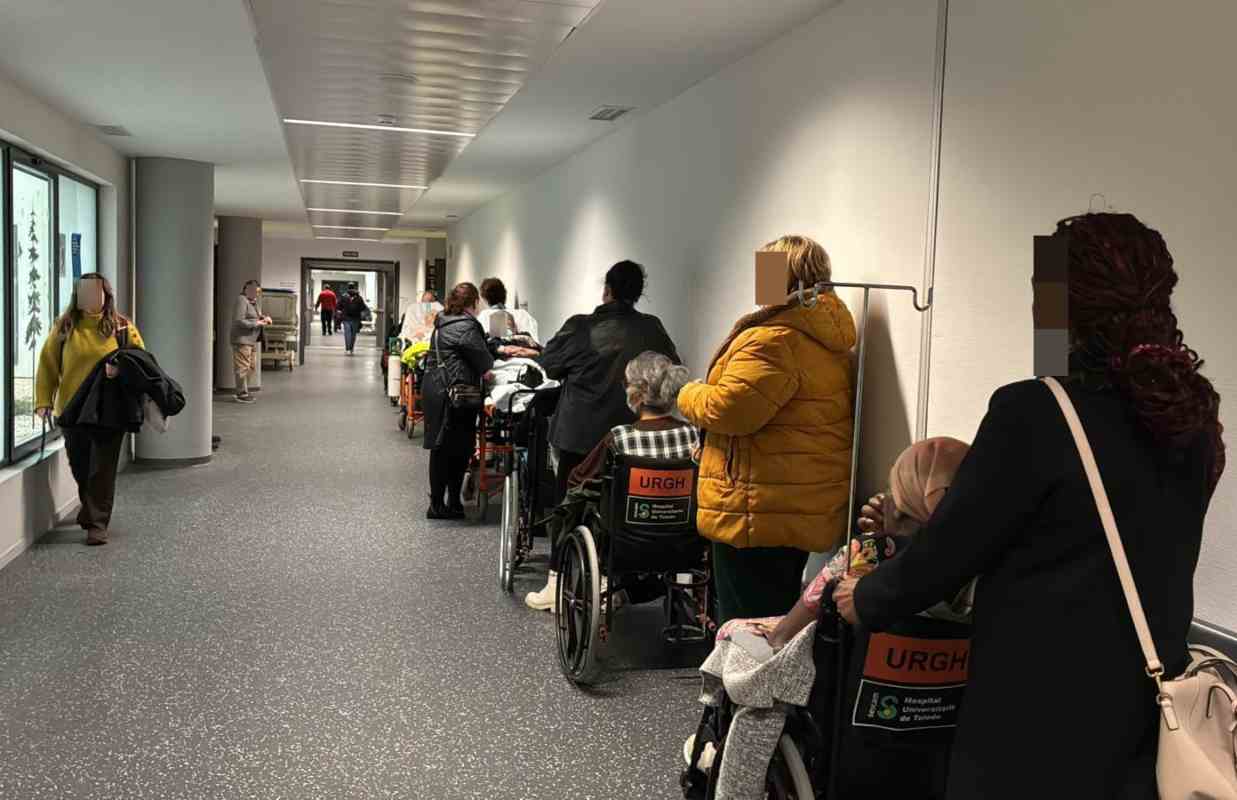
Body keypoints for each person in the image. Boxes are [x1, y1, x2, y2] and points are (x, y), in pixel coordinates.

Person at [832, 213, 1226, 800]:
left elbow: (951, 555)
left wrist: (862, 597)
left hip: (1036, 713)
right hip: (1144, 702)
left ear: (1070, 307)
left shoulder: (1035, 411)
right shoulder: (1190, 417)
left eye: (1043, 297)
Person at [686, 438, 971, 799]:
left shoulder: (869, 555)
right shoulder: (985, 570)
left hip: (845, 716)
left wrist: (876, 537)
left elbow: (792, 627)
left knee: (737, 640)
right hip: (940, 727)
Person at [677, 235, 855, 625]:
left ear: (787, 276)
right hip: (793, 502)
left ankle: (742, 687)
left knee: (746, 625)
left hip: (754, 509)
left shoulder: (774, 339)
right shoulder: (822, 337)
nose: (760, 281)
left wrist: (684, 391)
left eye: (767, 270)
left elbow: (729, 409)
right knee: (774, 617)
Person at [527, 260, 681, 610]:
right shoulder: (652, 328)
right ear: (638, 293)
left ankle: (557, 581)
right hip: (632, 436)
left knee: (569, 507)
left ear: (606, 289)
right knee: (619, 511)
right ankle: (611, 583)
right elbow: (669, 367)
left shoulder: (581, 327)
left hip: (579, 436)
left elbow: (548, 364)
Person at [534, 351, 698, 613]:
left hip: (623, 545)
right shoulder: (692, 435)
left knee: (583, 498)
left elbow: (578, 479)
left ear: (635, 393)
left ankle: (568, 584)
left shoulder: (619, 438)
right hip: (684, 543)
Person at [33, 273, 147, 546]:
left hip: (110, 410)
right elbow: (48, 364)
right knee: (81, 466)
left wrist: (119, 369)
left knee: (102, 469)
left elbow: (142, 361)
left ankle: (97, 524)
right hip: (72, 409)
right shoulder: (66, 326)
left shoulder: (121, 327)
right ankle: (90, 509)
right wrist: (43, 401)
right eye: (84, 293)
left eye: (96, 293)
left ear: (106, 296)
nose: (90, 298)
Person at [421, 282, 494, 520]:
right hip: (458, 394)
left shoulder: (442, 322)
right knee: (459, 449)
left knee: (439, 447)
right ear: (473, 303)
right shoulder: (468, 326)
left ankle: (437, 503)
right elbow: (484, 362)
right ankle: (453, 502)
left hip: (435, 389)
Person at [232, 279, 271, 403]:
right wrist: (258, 322)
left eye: (258, 291)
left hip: (251, 339)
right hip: (242, 339)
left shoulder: (253, 302)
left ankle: (244, 390)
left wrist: (264, 318)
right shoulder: (241, 300)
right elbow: (239, 321)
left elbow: (255, 316)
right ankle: (241, 393)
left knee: (251, 367)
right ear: (246, 289)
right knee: (243, 367)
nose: (256, 293)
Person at [476, 277, 540, 344]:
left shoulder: (484, 316)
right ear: (505, 293)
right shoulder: (523, 314)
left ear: (485, 299)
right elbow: (535, 342)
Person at [338, 284, 369, 355]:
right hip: (355, 318)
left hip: (346, 318)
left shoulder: (344, 296)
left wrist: (341, 311)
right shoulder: (359, 297)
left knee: (347, 333)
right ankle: (351, 349)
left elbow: (339, 306)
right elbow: (363, 307)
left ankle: (348, 349)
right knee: (353, 334)